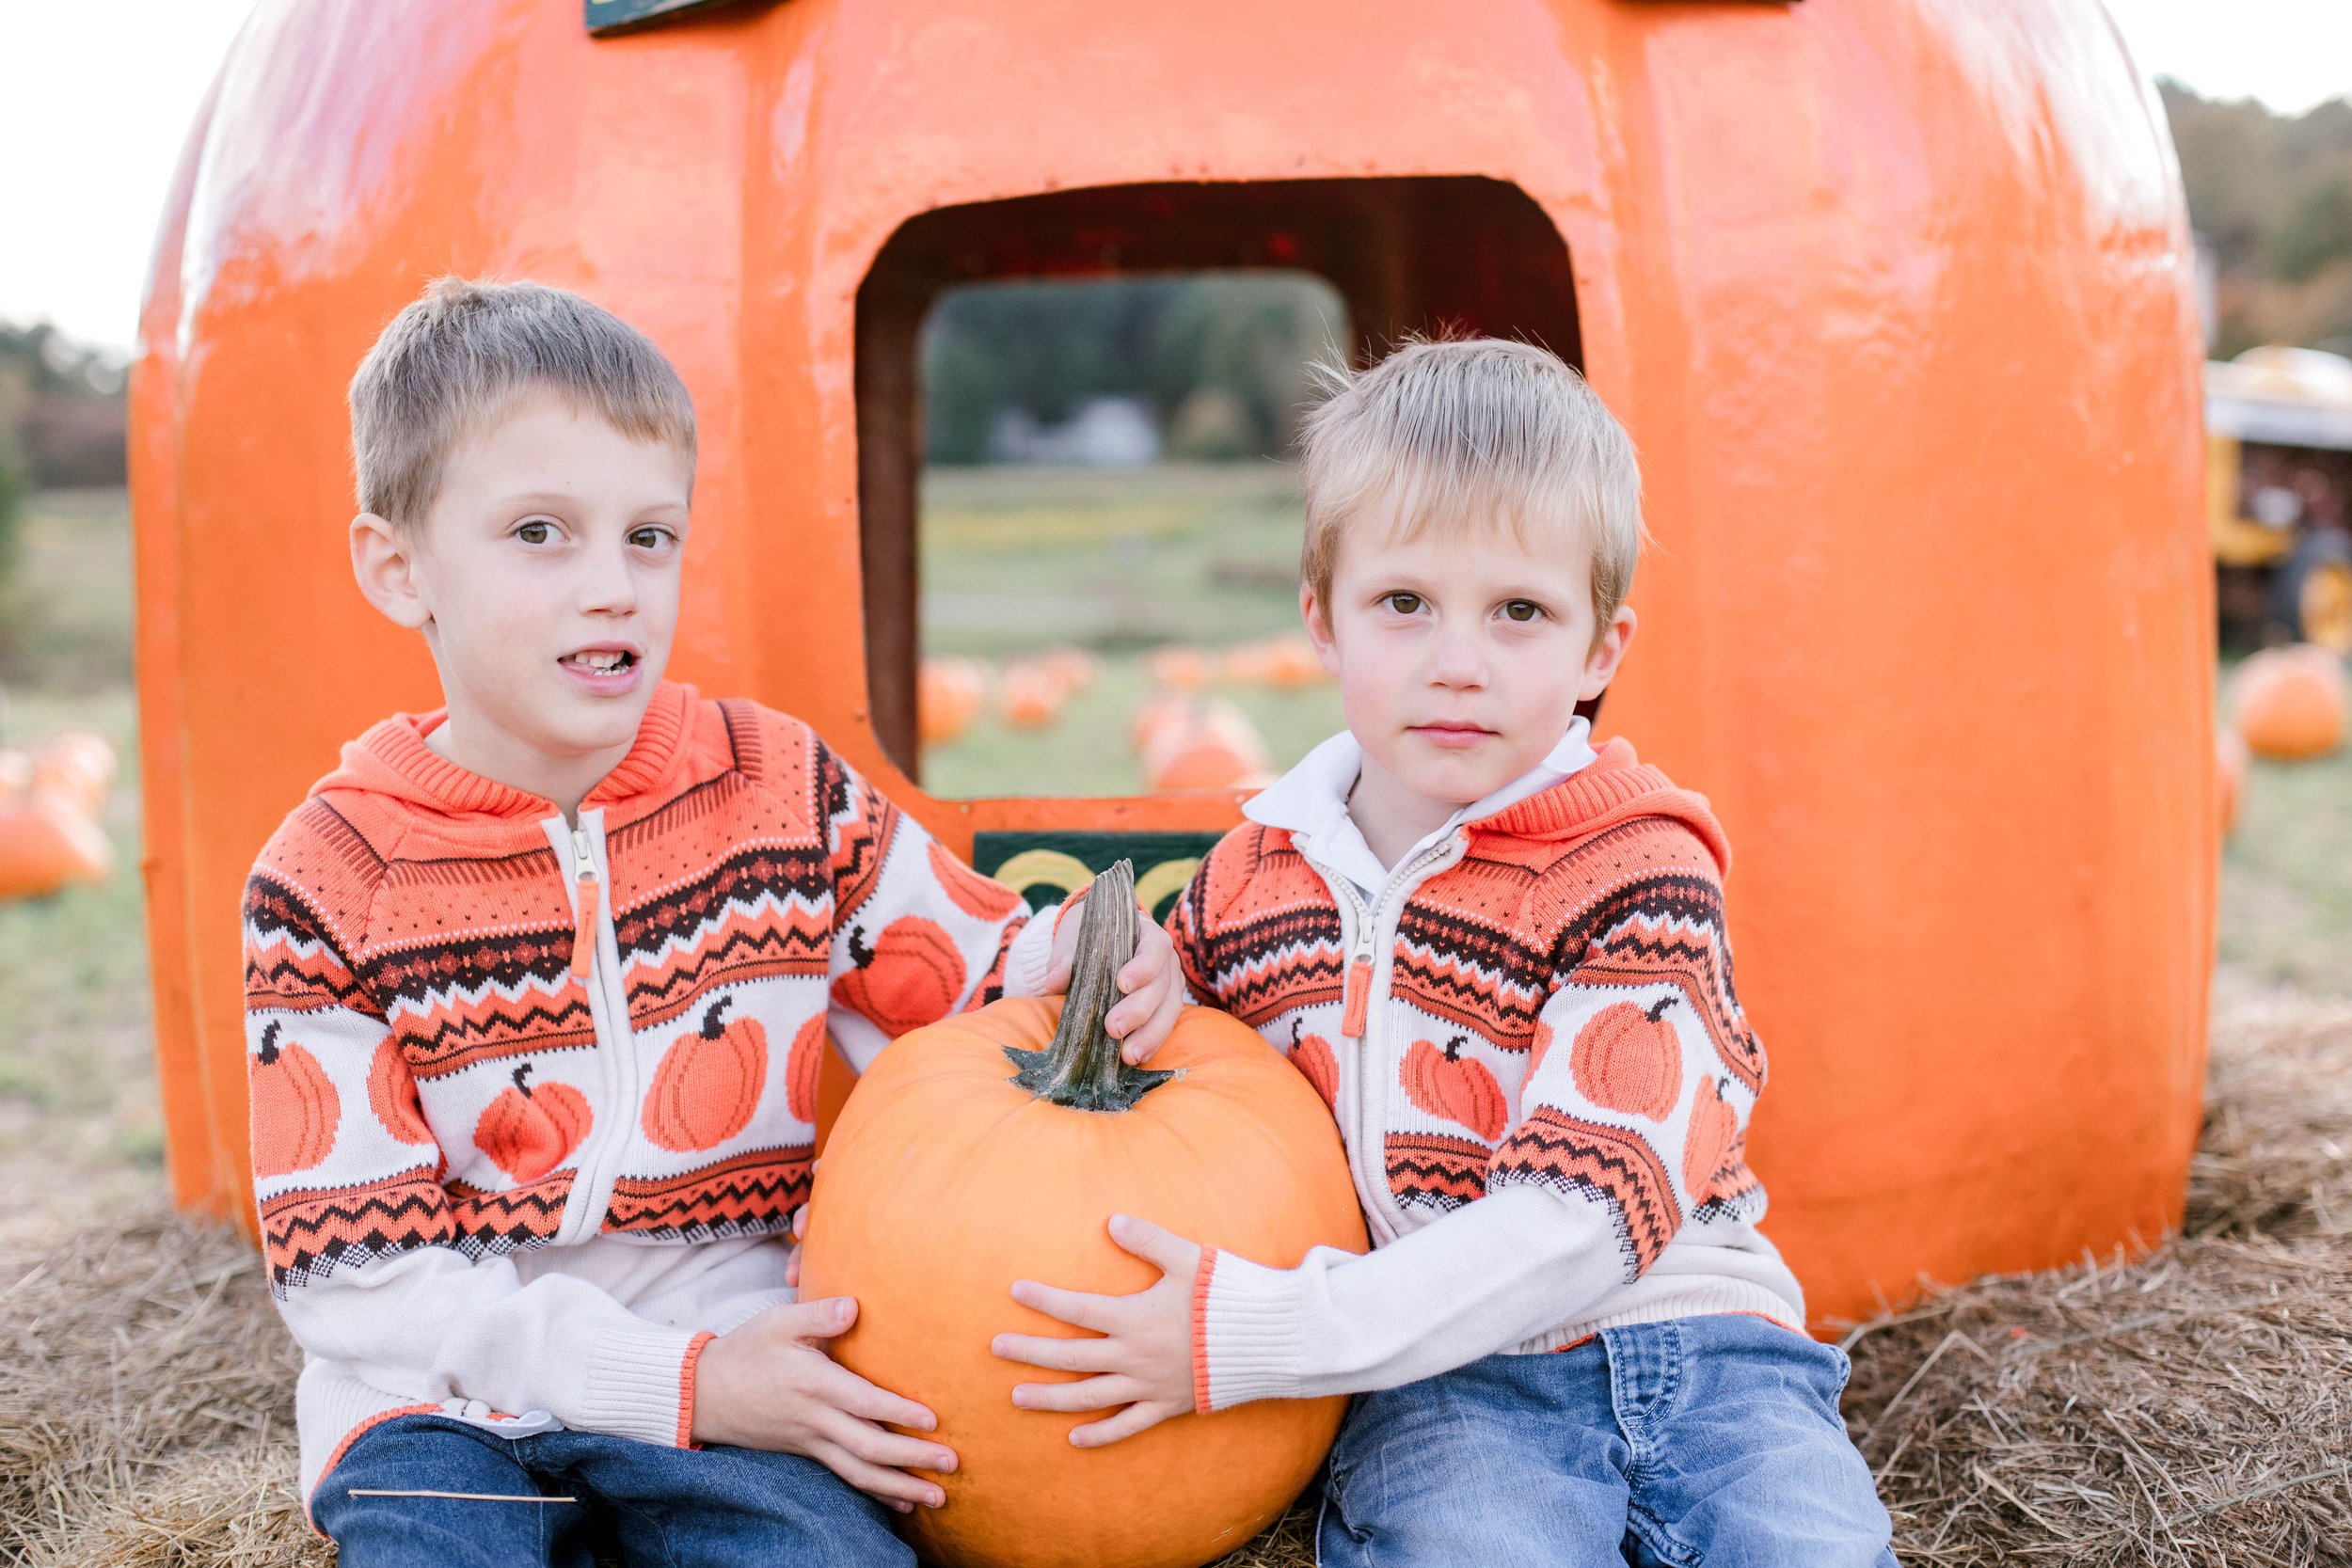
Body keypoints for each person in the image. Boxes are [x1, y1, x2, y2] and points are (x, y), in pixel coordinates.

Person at [240, 277, 1185, 1567]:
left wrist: (1093, 951)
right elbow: (358, 1283)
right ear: (398, 567)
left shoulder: (774, 789)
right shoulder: (328, 882)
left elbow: (979, 971)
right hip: (446, 1400)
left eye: (649, 536)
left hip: (745, 1353)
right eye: (540, 533)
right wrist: (671, 1379)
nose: (613, 586)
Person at [990, 339, 1897, 1565]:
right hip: (1442, 1379)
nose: (1456, 663)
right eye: (1404, 603)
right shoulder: (1258, 872)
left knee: (1810, 1553)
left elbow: (1579, 1222)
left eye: (1518, 612)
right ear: (1322, 620)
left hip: (1698, 1336)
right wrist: (1120, 963)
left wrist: (1262, 1334)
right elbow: (1149, 1021)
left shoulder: (1640, 876)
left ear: (1600, 652)